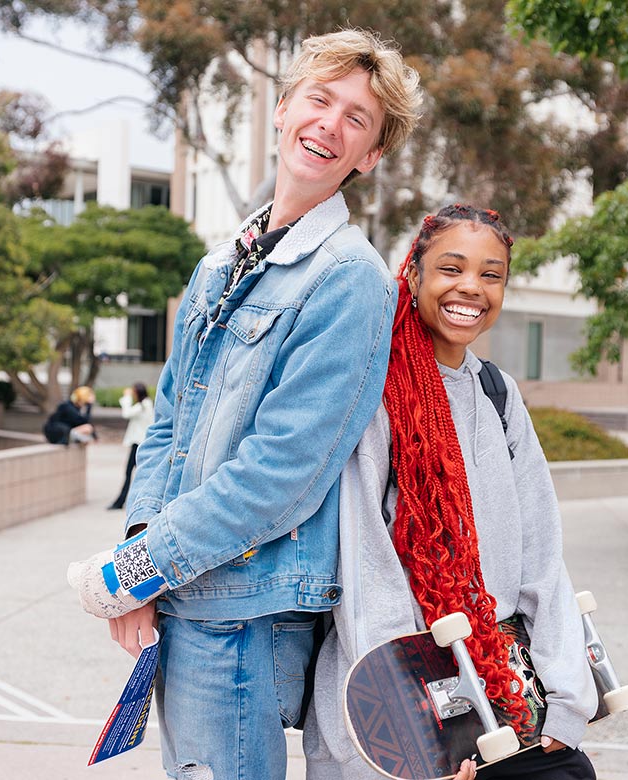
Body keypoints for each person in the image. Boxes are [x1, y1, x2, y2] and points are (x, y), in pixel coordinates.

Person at [66, 29, 423, 780]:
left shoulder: (349, 279)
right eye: (320, 100)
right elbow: (168, 423)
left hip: (245, 609)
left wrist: (138, 568)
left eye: (357, 119)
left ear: (370, 156)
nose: (330, 123)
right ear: (286, 107)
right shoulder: (218, 263)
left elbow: (282, 473)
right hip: (186, 590)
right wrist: (141, 557)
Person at [303, 205, 598, 780]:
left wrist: (566, 697)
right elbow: (365, 563)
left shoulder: (497, 392)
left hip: (502, 680)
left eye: (491, 274)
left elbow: (541, 550)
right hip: (400, 697)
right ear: (413, 275)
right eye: (451, 268)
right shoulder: (373, 391)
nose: (472, 287)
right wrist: (416, 733)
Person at [107, 382, 155, 510]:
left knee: (132, 473)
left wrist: (126, 398)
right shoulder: (145, 404)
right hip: (139, 443)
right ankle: (123, 501)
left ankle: (123, 502)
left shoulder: (144, 405)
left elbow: (126, 413)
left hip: (139, 444)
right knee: (134, 473)